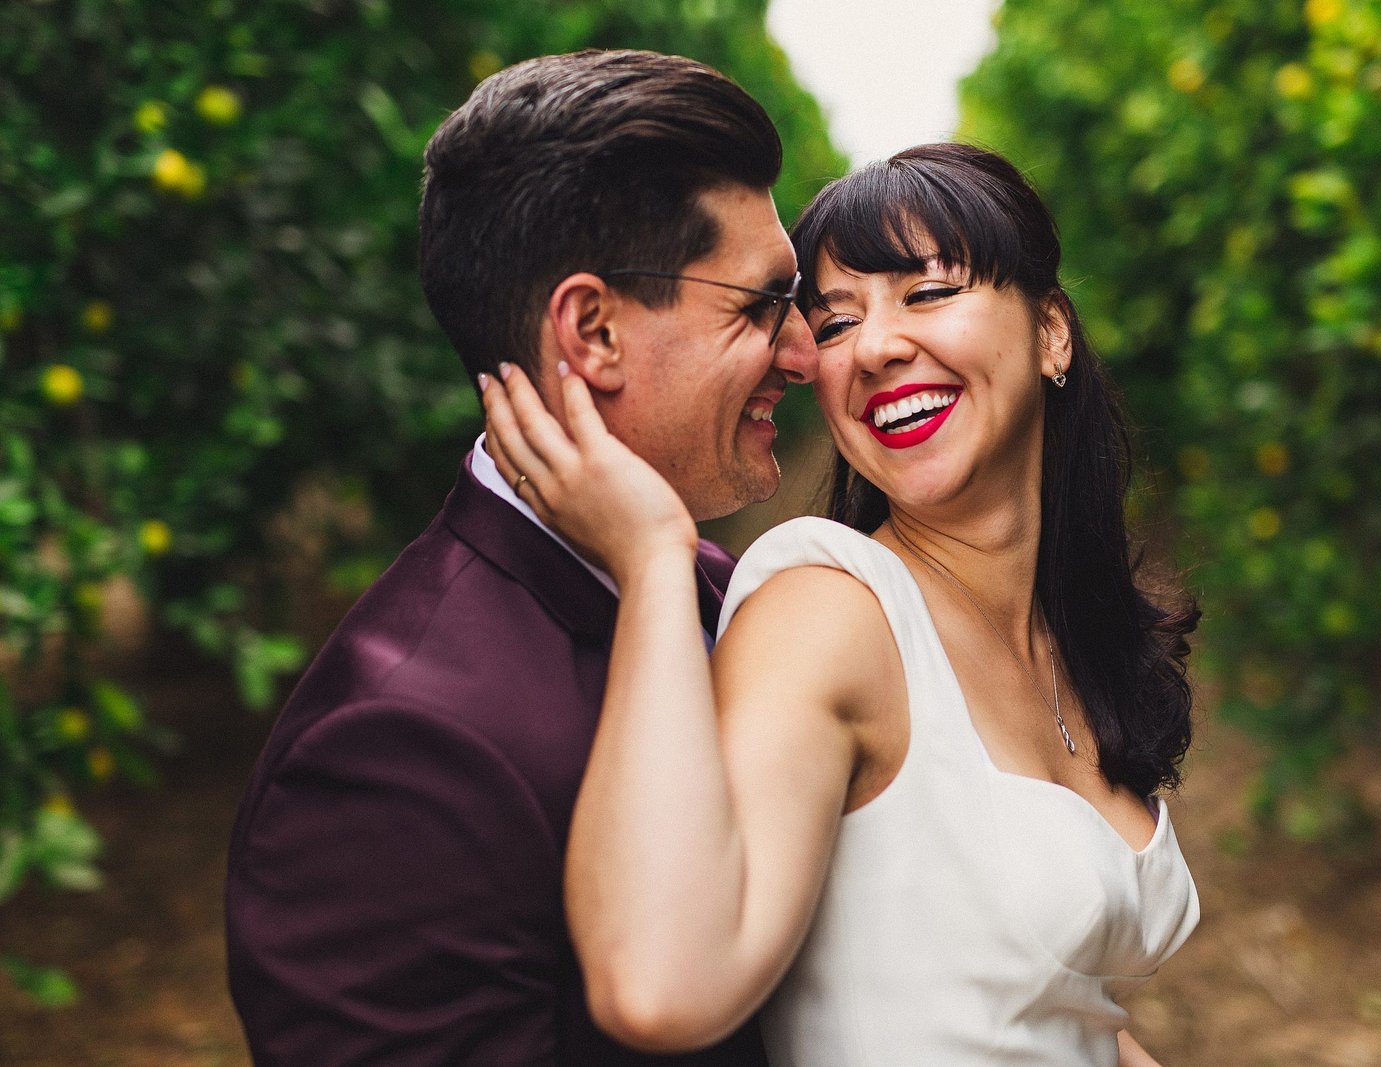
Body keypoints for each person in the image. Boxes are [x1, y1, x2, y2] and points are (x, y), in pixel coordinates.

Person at [481, 142, 1202, 1067]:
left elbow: (1063, 1016)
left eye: (928, 292)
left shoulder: (1067, 640)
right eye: (832, 322)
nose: (875, 346)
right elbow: (657, 986)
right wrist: (654, 559)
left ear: (1051, 332)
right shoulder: (832, 608)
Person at [225, 49, 816, 1065]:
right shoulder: (393, 751)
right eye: (760, 305)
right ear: (592, 330)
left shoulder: (730, 597)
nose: (805, 353)